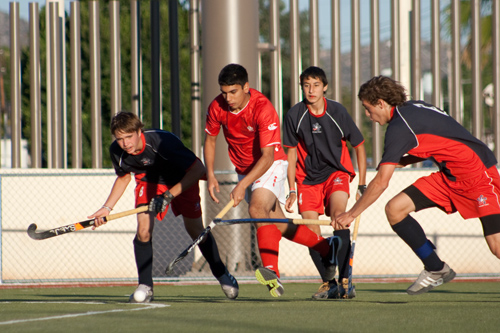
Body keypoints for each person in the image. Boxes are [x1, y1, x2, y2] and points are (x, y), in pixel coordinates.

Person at [334, 75, 500, 295]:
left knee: (496, 246)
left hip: (477, 174)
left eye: (367, 108)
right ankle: (436, 268)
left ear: (381, 103)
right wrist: (404, 160)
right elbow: (440, 137)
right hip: (449, 176)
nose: (367, 115)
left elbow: (381, 182)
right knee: (395, 209)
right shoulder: (412, 108)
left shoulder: (398, 127)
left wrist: (351, 214)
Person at [204, 63, 341, 298]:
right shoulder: (217, 106)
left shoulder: (262, 108)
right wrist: (210, 176)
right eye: (224, 92)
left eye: (233, 92)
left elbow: (267, 157)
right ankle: (326, 247)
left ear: (246, 87)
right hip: (244, 169)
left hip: (271, 163)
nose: (227, 98)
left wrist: (243, 185)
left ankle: (271, 271)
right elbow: (210, 141)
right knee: (278, 224)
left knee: (257, 207)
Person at [89, 111, 239, 302]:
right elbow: (124, 176)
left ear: (139, 131)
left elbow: (198, 169)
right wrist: (106, 207)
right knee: (143, 231)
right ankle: (145, 285)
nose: (125, 144)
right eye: (120, 139)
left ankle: (222, 274)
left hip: (181, 179)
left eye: (129, 137)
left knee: (195, 230)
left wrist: (168, 196)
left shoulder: (162, 142)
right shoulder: (117, 151)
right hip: (148, 181)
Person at [283, 66, 367, 299]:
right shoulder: (294, 115)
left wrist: (362, 184)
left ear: (325, 87)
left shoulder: (337, 112)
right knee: (311, 231)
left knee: (339, 218)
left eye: (316, 85)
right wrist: (291, 189)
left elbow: (358, 145)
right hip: (307, 180)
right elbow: (290, 155)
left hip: (335, 174)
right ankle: (328, 282)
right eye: (306, 85)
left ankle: (345, 279)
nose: (311, 90)